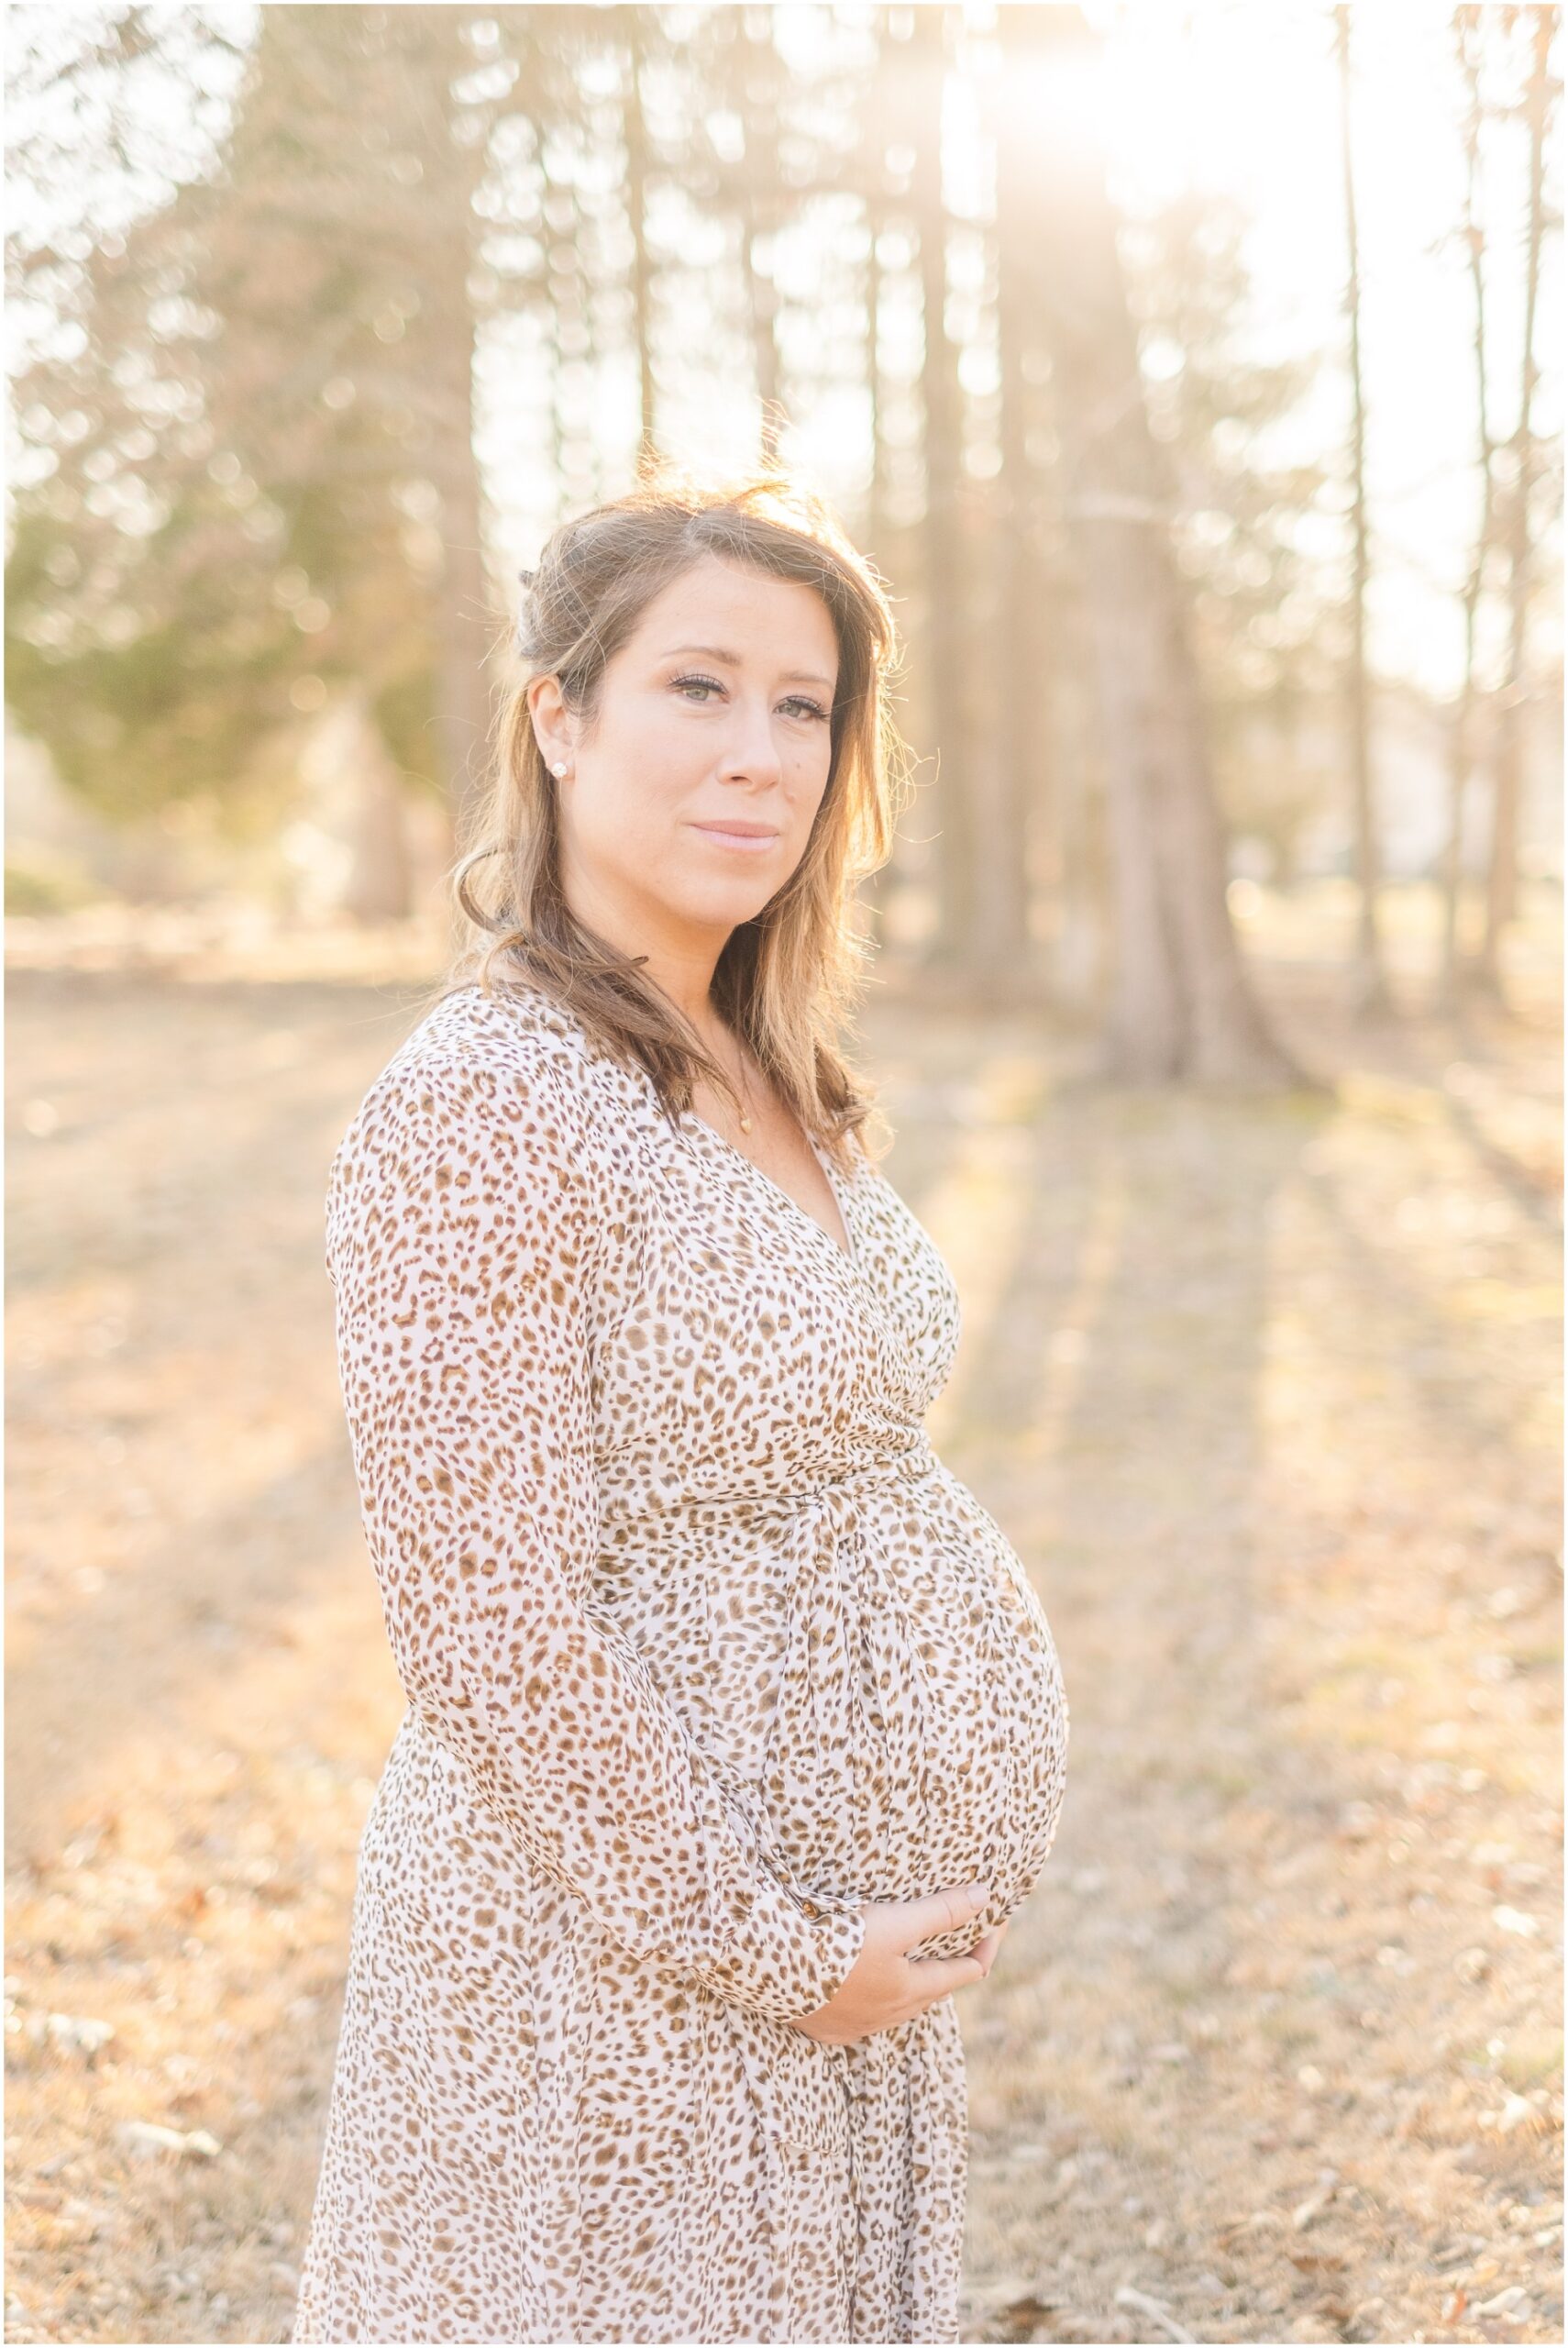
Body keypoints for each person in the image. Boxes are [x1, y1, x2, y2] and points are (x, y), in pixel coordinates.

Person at [291, 469, 1069, 2345]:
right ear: (558, 716)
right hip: (623, 1988)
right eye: (697, 688)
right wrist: (788, 1957)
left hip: (843, 1988)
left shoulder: (769, 1063)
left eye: (803, 705)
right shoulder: (489, 1098)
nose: (762, 755)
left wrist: (914, 1924)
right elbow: (491, 1622)